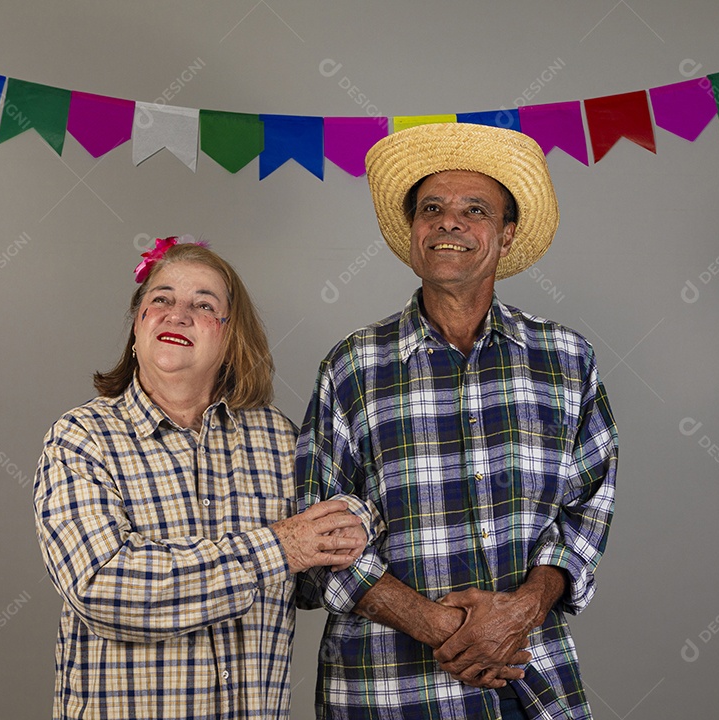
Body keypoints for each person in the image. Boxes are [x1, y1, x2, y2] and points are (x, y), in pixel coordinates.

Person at [296, 123, 618, 720]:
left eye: (475, 209)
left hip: (530, 681)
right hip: (386, 692)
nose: (450, 222)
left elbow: (587, 511)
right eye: (432, 208)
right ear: (415, 232)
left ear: (505, 233)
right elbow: (319, 541)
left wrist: (521, 612)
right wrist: (448, 628)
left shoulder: (567, 360)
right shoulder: (353, 367)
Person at [33, 238, 367, 720]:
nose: (177, 313)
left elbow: (313, 581)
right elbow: (101, 587)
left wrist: (355, 518)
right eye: (160, 299)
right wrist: (280, 547)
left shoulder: (279, 439)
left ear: (231, 339)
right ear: (136, 327)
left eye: (203, 304)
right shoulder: (81, 439)